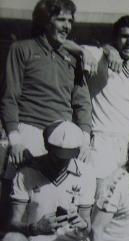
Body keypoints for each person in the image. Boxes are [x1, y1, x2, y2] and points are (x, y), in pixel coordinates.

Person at [0, 0, 92, 218]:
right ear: (44, 21)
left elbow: (82, 103)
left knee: (65, 206)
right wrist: (15, 140)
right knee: (17, 208)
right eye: (60, 19)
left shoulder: (74, 57)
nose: (67, 26)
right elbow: (9, 98)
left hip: (64, 138)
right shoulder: (21, 49)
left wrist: (85, 140)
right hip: (29, 133)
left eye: (70, 20)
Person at [64, 16, 129, 183]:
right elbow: (62, 42)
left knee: (127, 199)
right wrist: (105, 50)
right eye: (124, 36)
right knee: (100, 195)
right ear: (115, 39)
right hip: (102, 141)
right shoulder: (98, 56)